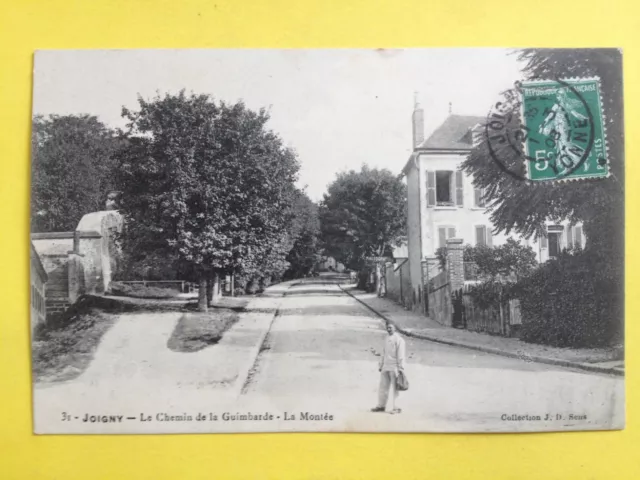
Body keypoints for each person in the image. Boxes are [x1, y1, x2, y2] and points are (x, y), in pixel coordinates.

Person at [371, 323, 406, 414]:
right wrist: (381, 365)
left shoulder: (399, 340)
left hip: (394, 367)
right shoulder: (386, 339)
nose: (388, 329)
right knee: (383, 387)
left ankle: (397, 407)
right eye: (387, 328)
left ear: (395, 328)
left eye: (390, 327)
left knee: (395, 388)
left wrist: (400, 368)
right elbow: (383, 353)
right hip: (386, 366)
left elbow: (401, 355)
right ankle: (381, 406)